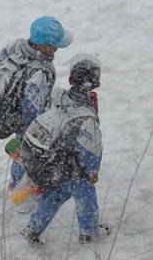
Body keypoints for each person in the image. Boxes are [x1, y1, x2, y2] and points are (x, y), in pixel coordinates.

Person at [19, 53, 105, 245]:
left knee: (56, 194)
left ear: (70, 79)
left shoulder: (58, 97)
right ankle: (89, 232)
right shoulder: (85, 116)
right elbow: (90, 150)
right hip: (70, 164)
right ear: (96, 84)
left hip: (51, 160)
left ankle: (33, 228)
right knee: (86, 197)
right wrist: (92, 171)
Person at [0, 16, 73, 191]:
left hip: (9, 110)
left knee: (21, 149)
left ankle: (15, 182)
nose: (56, 49)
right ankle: (24, 190)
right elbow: (33, 109)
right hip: (24, 120)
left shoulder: (14, 46)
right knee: (28, 153)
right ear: (45, 46)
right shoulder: (39, 74)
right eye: (55, 46)